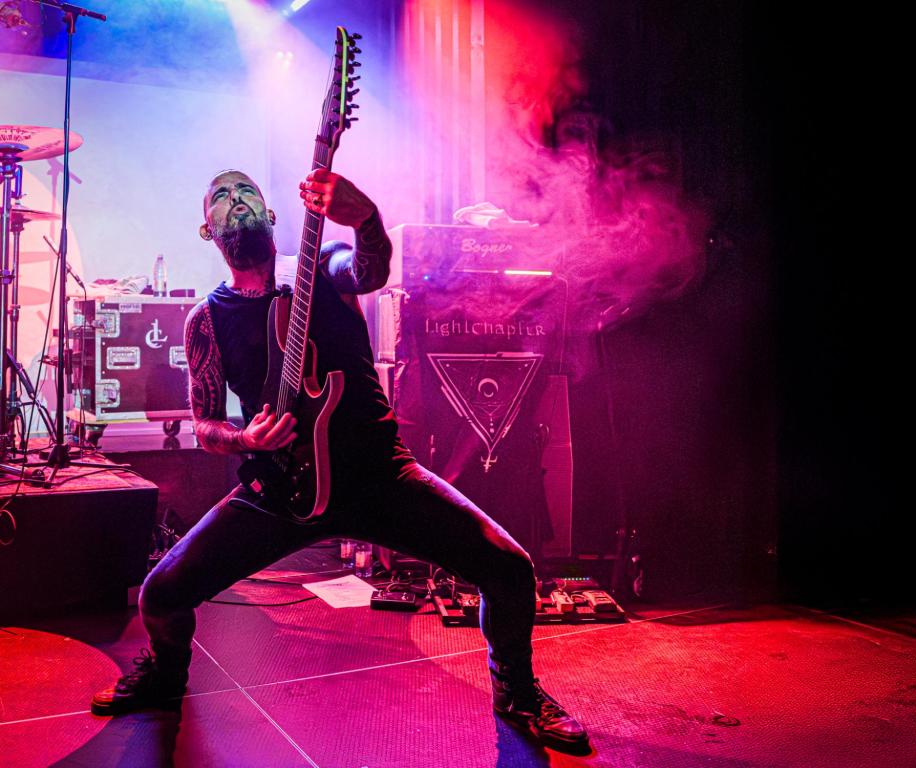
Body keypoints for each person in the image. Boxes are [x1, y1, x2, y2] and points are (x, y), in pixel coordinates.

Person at [90, 169, 590, 755]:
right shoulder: (206, 319)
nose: (235, 200)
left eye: (246, 191)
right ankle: (166, 677)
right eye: (220, 196)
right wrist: (246, 439)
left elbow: (370, 270)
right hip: (278, 492)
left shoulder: (322, 268)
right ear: (208, 230)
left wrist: (366, 219)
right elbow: (204, 426)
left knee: (509, 569)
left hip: (379, 476)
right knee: (160, 594)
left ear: (271, 216)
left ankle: (517, 694)